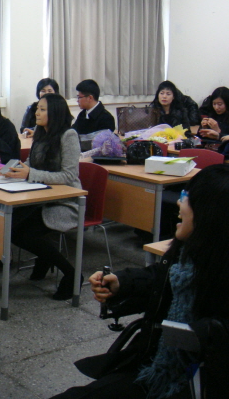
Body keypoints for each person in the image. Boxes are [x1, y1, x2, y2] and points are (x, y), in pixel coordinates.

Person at [50, 164, 229, 399]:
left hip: (196, 381)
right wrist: (122, 282)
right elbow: (163, 278)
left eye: (188, 198)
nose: (179, 202)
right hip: (155, 367)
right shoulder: (190, 253)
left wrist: (206, 334)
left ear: (211, 214)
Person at [3, 93, 82, 301]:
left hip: (64, 202)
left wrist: (30, 173)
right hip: (39, 198)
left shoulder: (69, 135)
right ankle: (45, 258)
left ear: (55, 113)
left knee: (24, 235)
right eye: (37, 108)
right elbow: (31, 163)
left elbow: (69, 176)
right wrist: (17, 170)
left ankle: (72, 274)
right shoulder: (39, 132)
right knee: (11, 227)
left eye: (42, 109)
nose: (36, 113)